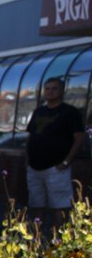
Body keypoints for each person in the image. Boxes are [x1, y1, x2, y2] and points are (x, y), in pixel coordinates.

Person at [25, 77, 85, 232]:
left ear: (62, 91)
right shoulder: (39, 112)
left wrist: (66, 162)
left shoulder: (70, 112)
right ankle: (36, 238)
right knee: (36, 204)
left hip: (56, 167)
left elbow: (79, 138)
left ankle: (57, 240)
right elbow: (31, 136)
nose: (50, 92)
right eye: (48, 89)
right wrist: (27, 160)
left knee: (59, 206)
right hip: (35, 167)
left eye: (54, 88)